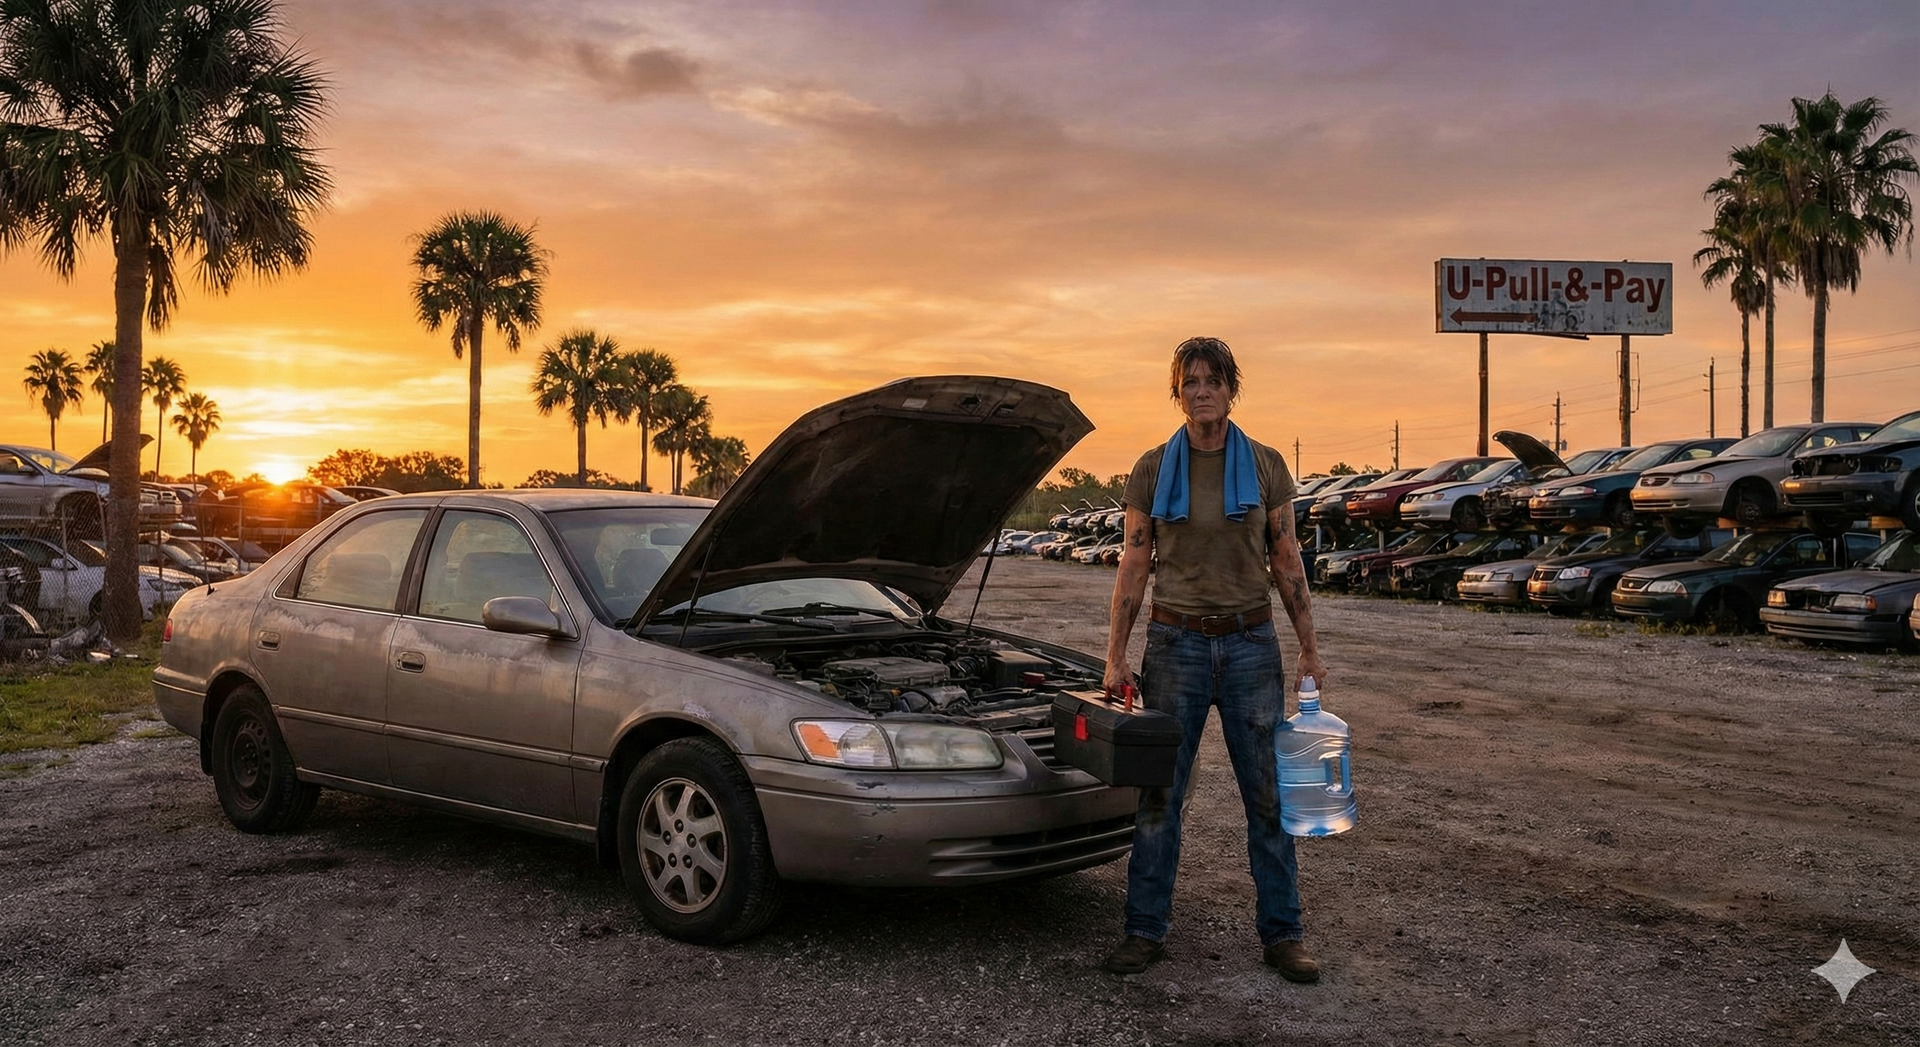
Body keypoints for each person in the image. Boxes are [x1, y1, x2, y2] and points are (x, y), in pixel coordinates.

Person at [1100, 336, 1329, 982]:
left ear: (1232, 388)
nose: (1202, 391)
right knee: (1158, 797)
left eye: (1213, 380)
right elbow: (1135, 561)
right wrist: (1115, 655)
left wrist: (1309, 645)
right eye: (1190, 382)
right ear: (1178, 392)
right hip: (1176, 646)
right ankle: (1144, 930)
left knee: (1268, 797)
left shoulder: (1264, 465)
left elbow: (1286, 560)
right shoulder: (1151, 468)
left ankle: (1283, 934)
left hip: (1252, 646)